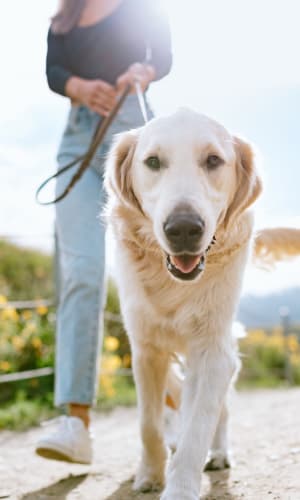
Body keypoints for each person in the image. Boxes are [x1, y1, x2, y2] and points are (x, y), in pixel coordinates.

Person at [36, 0, 172, 464]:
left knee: (157, 265)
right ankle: (76, 423)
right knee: (83, 270)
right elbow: (54, 70)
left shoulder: (142, 7)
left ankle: (175, 398)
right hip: (76, 138)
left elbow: (164, 56)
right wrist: (77, 85)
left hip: (134, 132)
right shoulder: (65, 17)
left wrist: (143, 70)